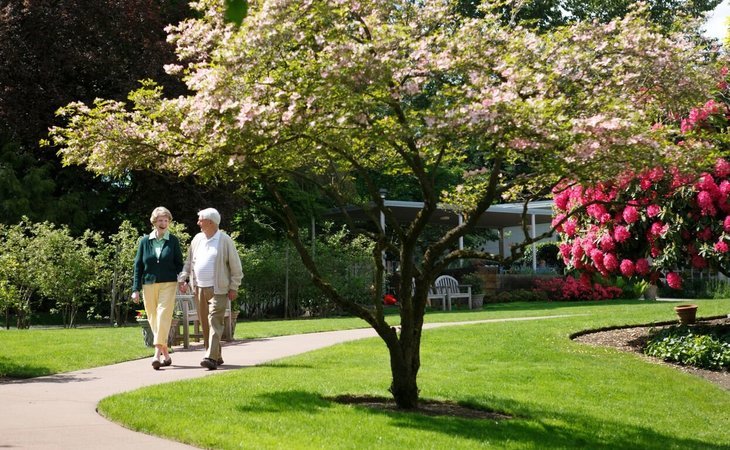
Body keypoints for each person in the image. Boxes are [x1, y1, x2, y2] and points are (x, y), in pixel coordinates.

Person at [178, 208, 243, 370]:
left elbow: (236, 267)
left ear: (210, 222)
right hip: (199, 287)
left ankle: (210, 357)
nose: (198, 222)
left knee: (214, 321)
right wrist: (183, 277)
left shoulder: (225, 240)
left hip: (218, 289)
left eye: (200, 219)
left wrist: (234, 287)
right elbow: (189, 262)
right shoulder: (197, 239)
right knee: (205, 325)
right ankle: (216, 355)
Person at [131, 206, 184, 370]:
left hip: (169, 283)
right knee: (153, 318)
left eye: (166, 220)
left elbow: (179, 264)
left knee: (163, 315)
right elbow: (138, 266)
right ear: (154, 222)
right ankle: (166, 353)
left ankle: (156, 354)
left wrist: (183, 280)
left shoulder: (173, 240)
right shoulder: (144, 241)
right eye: (160, 220)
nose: (163, 223)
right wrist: (135, 289)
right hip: (148, 284)